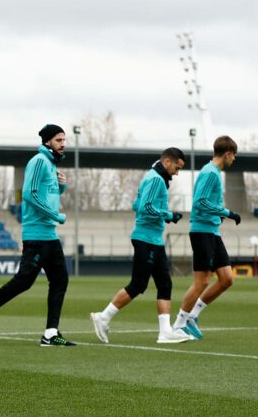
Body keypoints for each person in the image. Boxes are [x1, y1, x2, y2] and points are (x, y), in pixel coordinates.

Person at [0, 124, 75, 347]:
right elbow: (29, 195)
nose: (63, 144)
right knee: (23, 282)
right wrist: (55, 214)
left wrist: (61, 188)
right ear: (47, 142)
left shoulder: (50, 164)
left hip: (49, 235)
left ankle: (50, 333)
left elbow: (48, 194)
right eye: (58, 140)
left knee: (60, 280)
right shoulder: (38, 162)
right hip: (36, 235)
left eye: (64, 140)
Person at [90, 148, 191, 344]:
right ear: (168, 162)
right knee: (138, 284)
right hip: (147, 239)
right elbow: (145, 207)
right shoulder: (155, 179)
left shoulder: (152, 176)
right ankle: (103, 317)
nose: (177, 172)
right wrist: (168, 215)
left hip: (153, 239)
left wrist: (162, 213)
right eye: (177, 168)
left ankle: (165, 332)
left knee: (164, 283)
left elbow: (136, 204)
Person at [172, 136, 240, 339]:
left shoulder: (214, 173)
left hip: (212, 232)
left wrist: (218, 214)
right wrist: (227, 212)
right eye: (233, 156)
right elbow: (200, 202)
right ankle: (178, 324)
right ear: (228, 154)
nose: (234, 160)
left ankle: (192, 316)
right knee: (201, 281)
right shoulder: (210, 172)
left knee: (227, 279)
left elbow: (207, 203)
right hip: (202, 232)